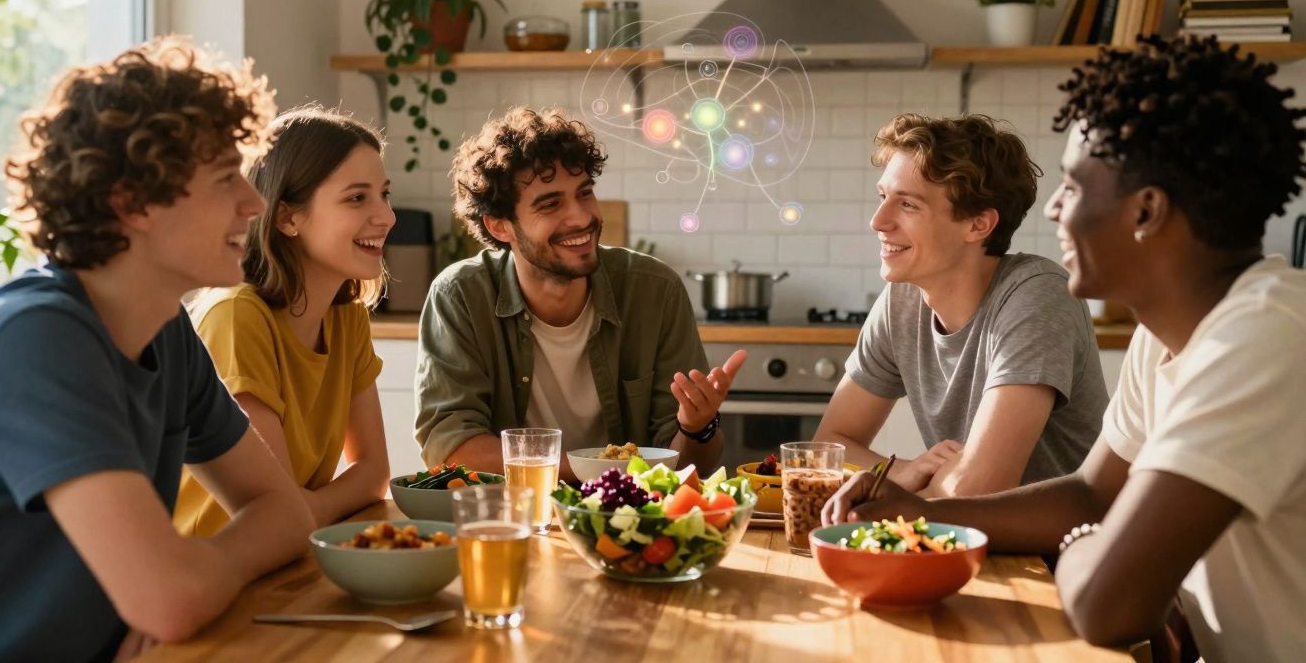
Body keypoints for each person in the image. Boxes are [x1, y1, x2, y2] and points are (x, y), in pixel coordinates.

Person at [824, 36, 1306, 662]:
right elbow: (1091, 493)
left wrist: (1082, 541)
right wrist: (916, 509)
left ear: (1147, 210)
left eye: (1076, 187)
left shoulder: (1264, 335)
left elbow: (1111, 605)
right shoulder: (1163, 337)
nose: (1052, 207)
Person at [0, 38, 314, 661]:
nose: (253, 205)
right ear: (131, 202)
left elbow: (286, 514)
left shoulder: (166, 329)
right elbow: (169, 600)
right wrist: (179, 587)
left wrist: (197, 572)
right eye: (227, 179)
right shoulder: (36, 341)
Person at [415, 107, 746, 480]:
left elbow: (687, 469)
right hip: (515, 519)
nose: (581, 217)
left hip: (627, 523)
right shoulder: (460, 296)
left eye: (584, 193)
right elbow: (451, 447)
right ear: (500, 226)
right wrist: (600, 471)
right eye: (551, 204)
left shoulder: (655, 290)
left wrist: (695, 427)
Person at [813, 113, 1107, 497]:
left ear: (978, 225)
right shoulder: (902, 302)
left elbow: (979, 489)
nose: (878, 221)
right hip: (959, 538)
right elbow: (828, 449)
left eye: (908, 205)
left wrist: (886, 486)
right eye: (884, 197)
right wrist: (901, 471)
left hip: (1053, 551)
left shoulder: (1038, 296)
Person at [174, 107, 394, 535]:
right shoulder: (237, 316)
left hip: (291, 555)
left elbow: (374, 473)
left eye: (384, 193)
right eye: (357, 197)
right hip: (221, 569)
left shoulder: (346, 317)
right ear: (287, 217)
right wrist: (305, 510)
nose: (386, 216)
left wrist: (306, 510)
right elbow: (274, 505)